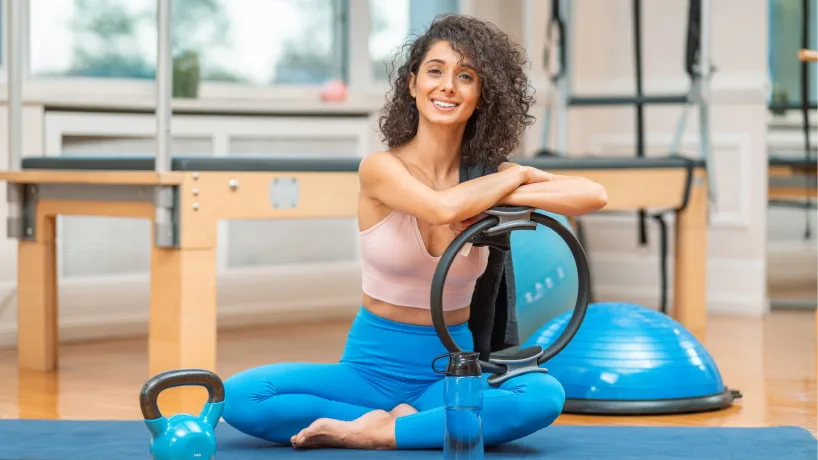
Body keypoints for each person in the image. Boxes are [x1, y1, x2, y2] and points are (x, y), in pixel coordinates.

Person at [221, 14, 608, 450]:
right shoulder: (381, 169)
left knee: (542, 396)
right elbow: (442, 208)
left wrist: (506, 181)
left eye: (466, 76)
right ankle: (412, 424)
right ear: (412, 83)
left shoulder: (488, 180)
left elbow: (592, 195)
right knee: (240, 396)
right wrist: (515, 178)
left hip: (451, 372)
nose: (448, 86)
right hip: (368, 371)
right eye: (435, 71)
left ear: (482, 95)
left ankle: (379, 433)